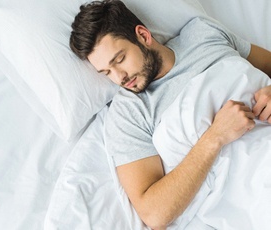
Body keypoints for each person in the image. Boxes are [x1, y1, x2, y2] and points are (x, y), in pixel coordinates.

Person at [70, 0, 271, 229]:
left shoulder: (204, 33)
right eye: (106, 72)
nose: (119, 78)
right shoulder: (128, 113)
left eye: (119, 59)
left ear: (143, 35)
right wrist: (215, 137)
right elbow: (154, 214)